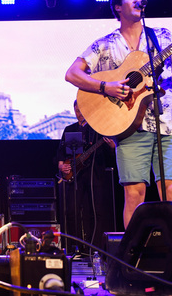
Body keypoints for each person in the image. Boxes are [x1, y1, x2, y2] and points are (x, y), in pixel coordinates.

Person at [65, 0, 172, 229]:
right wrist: (106, 86)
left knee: (171, 192)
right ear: (117, 7)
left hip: (166, 125)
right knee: (135, 195)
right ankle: (135, 258)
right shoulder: (103, 44)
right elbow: (72, 74)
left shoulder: (161, 37)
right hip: (129, 128)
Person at [56, 100, 116, 252]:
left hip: (95, 176)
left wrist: (111, 147)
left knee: (94, 212)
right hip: (75, 177)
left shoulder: (98, 129)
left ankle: (94, 248)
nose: (79, 114)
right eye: (76, 111)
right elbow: (60, 154)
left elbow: (111, 156)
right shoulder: (69, 129)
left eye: (81, 110)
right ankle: (74, 247)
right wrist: (62, 166)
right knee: (72, 211)